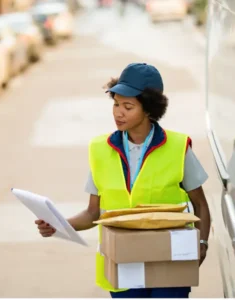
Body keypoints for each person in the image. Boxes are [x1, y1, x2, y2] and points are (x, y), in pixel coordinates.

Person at [35, 63, 211, 298]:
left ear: (149, 109)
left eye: (128, 106)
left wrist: (202, 244)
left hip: (169, 262)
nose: (118, 113)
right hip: (124, 266)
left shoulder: (178, 148)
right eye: (116, 104)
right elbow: (93, 213)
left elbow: (200, 204)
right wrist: (60, 224)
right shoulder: (100, 150)